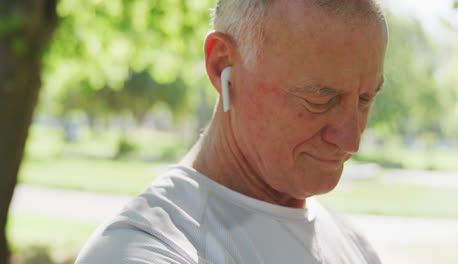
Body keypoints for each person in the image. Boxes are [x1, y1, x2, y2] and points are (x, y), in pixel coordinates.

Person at [75, 0, 387, 263]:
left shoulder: (355, 245)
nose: (351, 140)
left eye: (365, 99)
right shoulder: (148, 248)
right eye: (320, 99)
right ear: (221, 64)